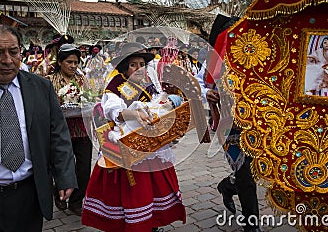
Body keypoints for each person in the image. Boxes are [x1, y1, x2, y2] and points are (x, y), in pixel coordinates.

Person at [0, 24, 77, 231]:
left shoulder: (40, 87)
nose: (7, 60)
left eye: (14, 52)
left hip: (30, 195)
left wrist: (65, 176)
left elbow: (58, 134)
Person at [82, 42, 186, 232]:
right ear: (124, 67)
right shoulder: (115, 86)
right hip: (127, 147)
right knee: (135, 193)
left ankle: (151, 223)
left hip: (151, 144)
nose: (139, 69)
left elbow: (157, 106)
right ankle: (133, 224)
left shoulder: (148, 84)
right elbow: (113, 110)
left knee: (154, 189)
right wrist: (132, 114)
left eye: (141, 64)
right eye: (133, 64)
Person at [197, 14, 262, 232]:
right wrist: (208, 93)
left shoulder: (255, 55)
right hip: (229, 123)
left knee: (255, 170)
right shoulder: (214, 61)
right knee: (245, 173)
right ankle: (251, 225)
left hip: (257, 121)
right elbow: (197, 83)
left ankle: (227, 185)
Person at [46, 43, 92, 216]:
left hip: (81, 129)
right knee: (62, 166)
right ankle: (59, 192)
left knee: (83, 168)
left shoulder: (82, 80)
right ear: (59, 62)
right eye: (69, 62)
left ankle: (76, 201)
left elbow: (91, 100)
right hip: (60, 131)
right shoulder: (49, 81)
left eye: (76, 62)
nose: (73, 66)